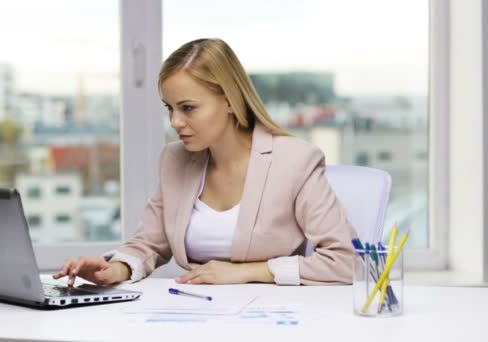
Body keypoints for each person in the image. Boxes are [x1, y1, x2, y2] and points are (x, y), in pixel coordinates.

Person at [53, 38, 356, 286]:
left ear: (228, 101)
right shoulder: (175, 159)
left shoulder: (295, 160)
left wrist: (250, 272)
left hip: (272, 319)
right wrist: (115, 269)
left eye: (188, 108)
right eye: (169, 108)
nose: (175, 121)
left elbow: (349, 261)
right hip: (194, 314)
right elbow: (148, 244)